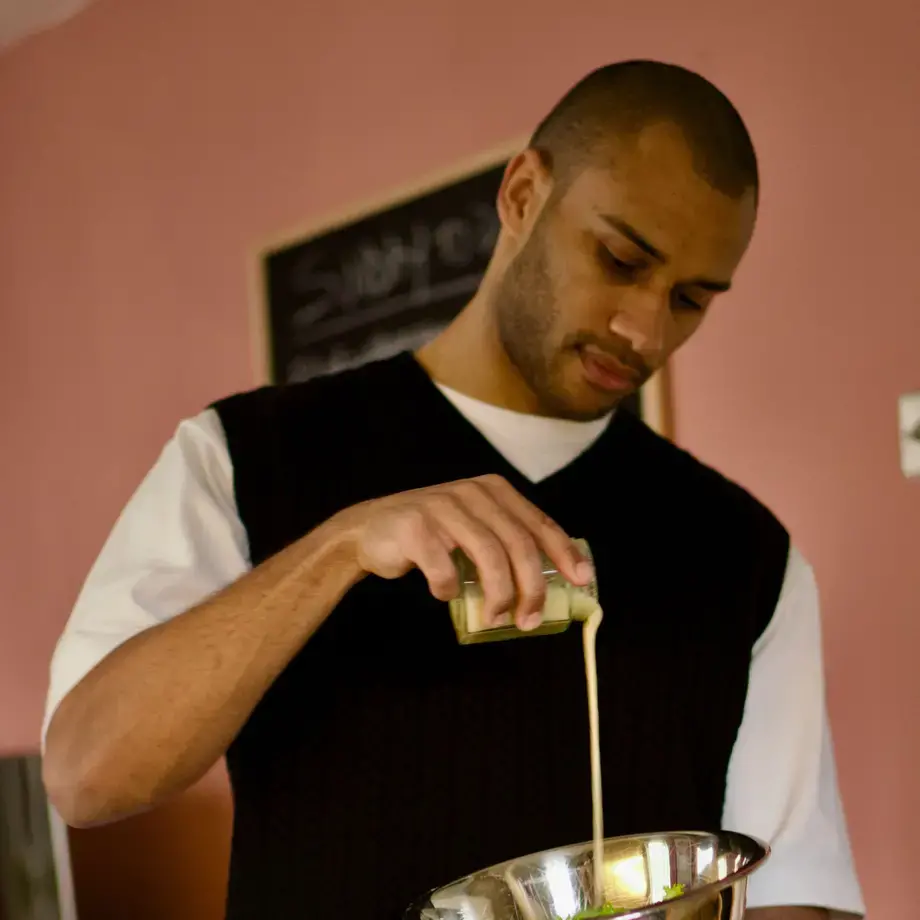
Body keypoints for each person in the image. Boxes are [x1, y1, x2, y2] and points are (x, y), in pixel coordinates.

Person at [42, 60, 865, 920]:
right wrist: (340, 547)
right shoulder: (244, 458)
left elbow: (795, 892)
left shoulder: (744, 555)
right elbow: (85, 776)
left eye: (692, 298)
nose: (645, 327)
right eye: (621, 259)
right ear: (520, 196)